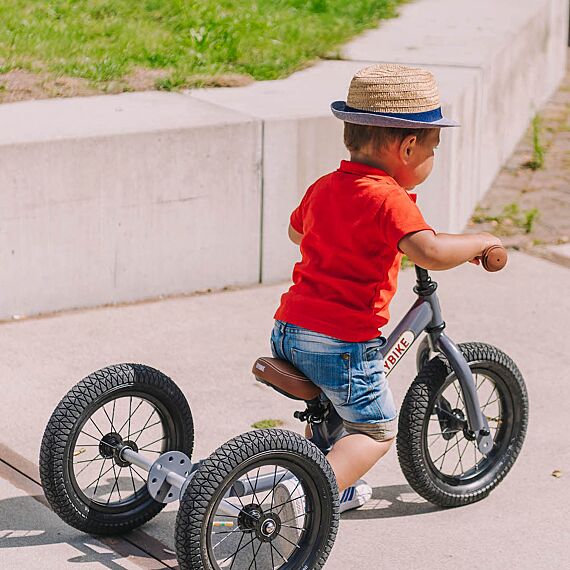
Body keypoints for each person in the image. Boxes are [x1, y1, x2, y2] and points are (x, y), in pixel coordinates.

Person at [271, 63, 502, 512]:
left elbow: (298, 234)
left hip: (289, 329)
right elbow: (430, 252)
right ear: (410, 146)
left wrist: (348, 242)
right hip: (340, 342)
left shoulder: (325, 187)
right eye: (435, 146)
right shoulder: (388, 199)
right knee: (374, 428)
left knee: (332, 409)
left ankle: (330, 476)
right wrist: (482, 241)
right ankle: (305, 496)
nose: (435, 155)